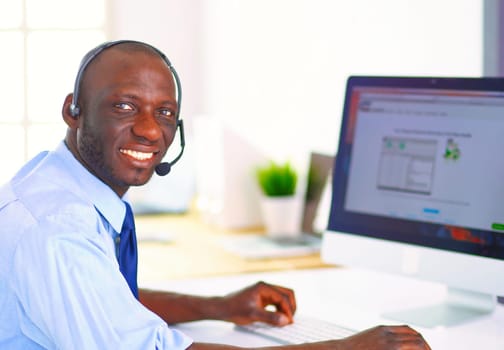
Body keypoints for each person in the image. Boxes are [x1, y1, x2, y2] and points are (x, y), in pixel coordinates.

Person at [0, 40, 431, 350]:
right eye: (125, 106)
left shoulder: (53, 177)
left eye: (165, 113)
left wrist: (221, 306)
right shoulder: (58, 228)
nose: (151, 130)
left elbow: (107, 302)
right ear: (73, 110)